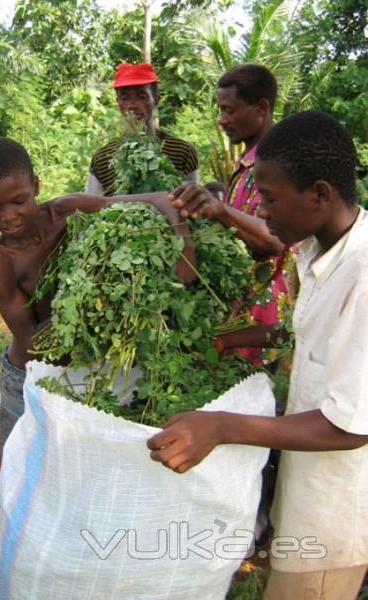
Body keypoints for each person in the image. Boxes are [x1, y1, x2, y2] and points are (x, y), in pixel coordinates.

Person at [148, 110, 368, 600]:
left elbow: (351, 426)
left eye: (268, 198)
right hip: (308, 488)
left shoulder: (362, 276)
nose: (261, 212)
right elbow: (307, 342)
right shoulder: (316, 249)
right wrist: (231, 340)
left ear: (319, 194)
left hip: (337, 518)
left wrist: (222, 426)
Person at [0, 137, 196, 448]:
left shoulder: (67, 212)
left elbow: (159, 199)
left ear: (35, 186)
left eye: (18, 201)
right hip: (27, 377)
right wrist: (87, 289)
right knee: (20, 458)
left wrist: (185, 246)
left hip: (79, 371)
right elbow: (32, 341)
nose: (8, 216)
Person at [169, 63, 294, 365]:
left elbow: (273, 241)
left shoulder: (276, 163)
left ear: (261, 108)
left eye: (230, 111)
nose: (222, 120)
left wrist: (221, 211)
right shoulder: (245, 165)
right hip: (237, 317)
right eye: (220, 110)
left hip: (261, 325)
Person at [86, 63, 199, 196]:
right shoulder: (103, 158)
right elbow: (91, 207)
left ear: (155, 100)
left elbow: (195, 204)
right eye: (125, 98)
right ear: (118, 102)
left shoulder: (182, 152)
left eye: (141, 96)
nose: (132, 105)